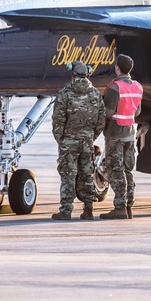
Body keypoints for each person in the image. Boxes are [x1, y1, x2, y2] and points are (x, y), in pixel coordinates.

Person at [51, 61, 105, 221]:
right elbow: (101, 119)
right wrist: (91, 136)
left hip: (69, 141)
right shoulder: (95, 94)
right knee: (86, 174)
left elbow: (58, 120)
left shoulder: (65, 93)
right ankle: (88, 210)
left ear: (72, 74)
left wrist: (61, 139)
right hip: (87, 141)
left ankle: (66, 210)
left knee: (68, 175)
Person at [100, 54, 143, 220]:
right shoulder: (138, 86)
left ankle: (119, 207)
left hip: (115, 134)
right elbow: (137, 111)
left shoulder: (115, 87)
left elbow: (108, 111)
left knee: (115, 170)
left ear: (117, 67)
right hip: (130, 134)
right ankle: (129, 206)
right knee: (127, 169)